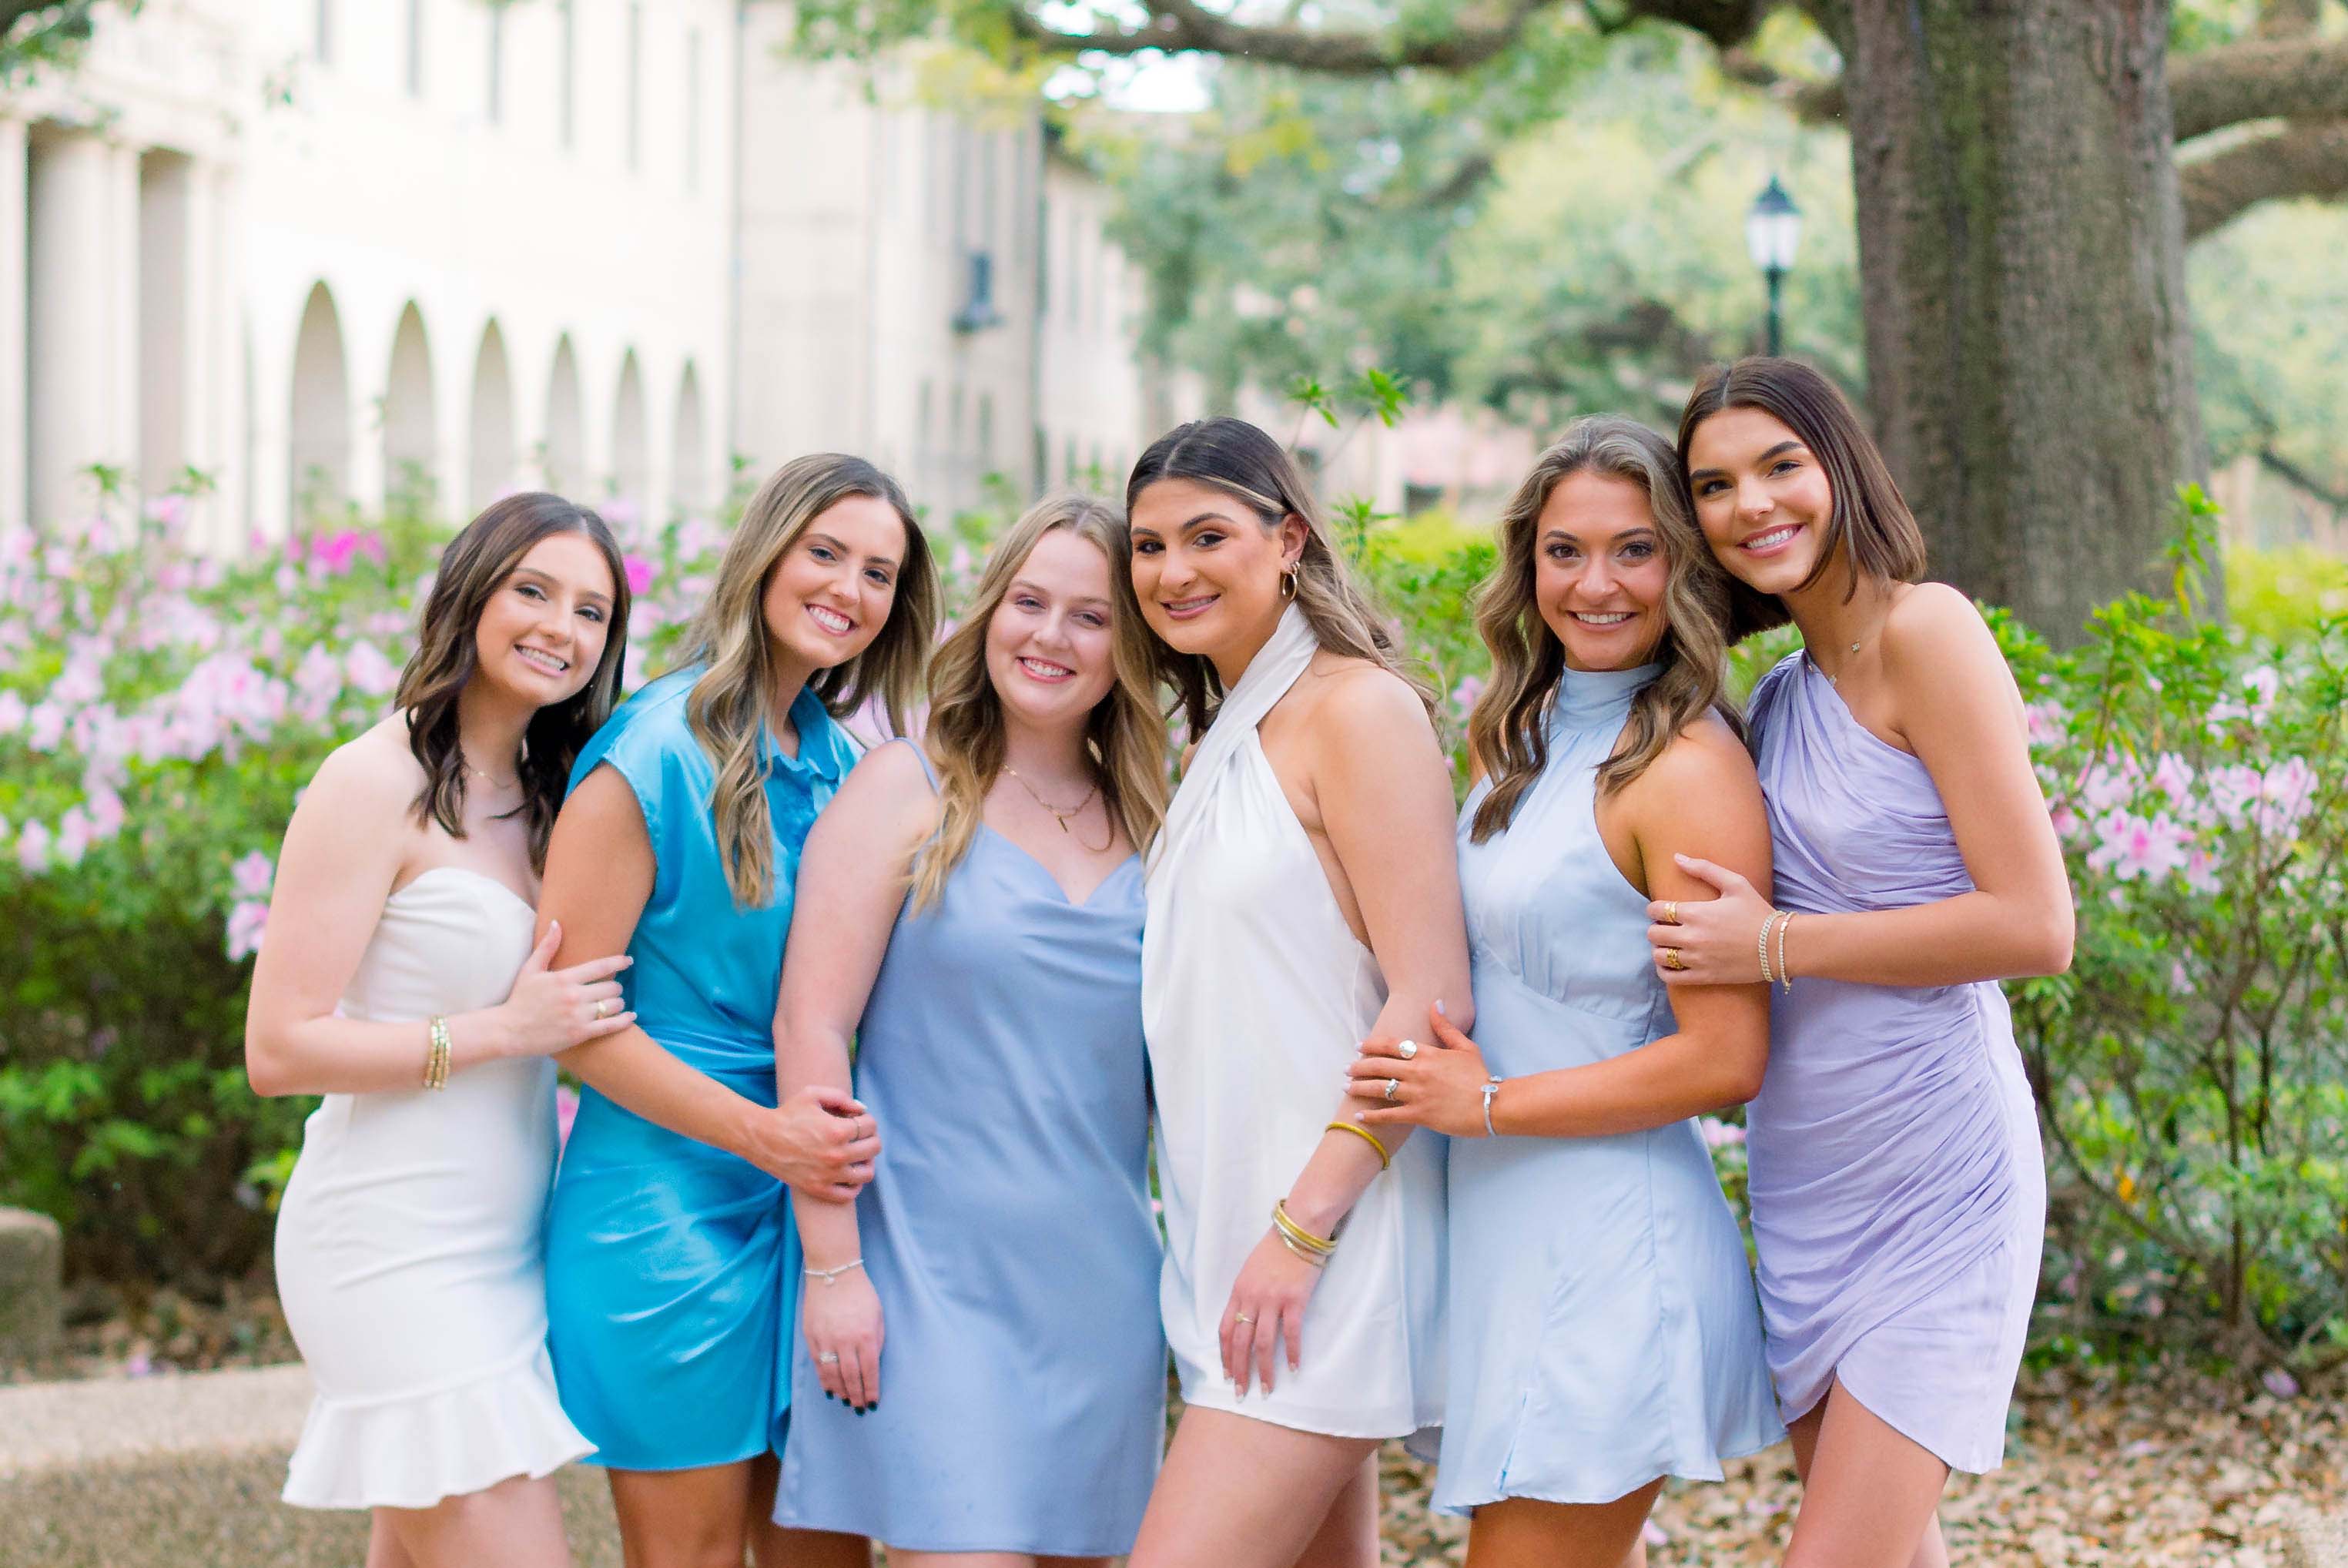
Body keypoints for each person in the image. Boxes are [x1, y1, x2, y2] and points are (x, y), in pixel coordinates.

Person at [1345, 417, 1784, 1568]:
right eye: (1564, 551)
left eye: (1634, 551)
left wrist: (1485, 1106)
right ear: (1526, 565)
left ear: (1684, 569)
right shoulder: (1516, 738)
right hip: (1503, 1230)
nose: (1596, 584)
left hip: (1604, 1243)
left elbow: (1724, 1059)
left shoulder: (1686, 769)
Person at [1658, 358, 2072, 1568]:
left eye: (1779, 465)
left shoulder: (1924, 631)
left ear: (1838, 466)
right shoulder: (1777, 696)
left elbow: (2034, 925)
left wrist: (1775, 944)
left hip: (1937, 1170)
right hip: (1803, 1182)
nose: (1751, 505)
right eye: (1714, 485)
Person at [535, 454, 938, 1568]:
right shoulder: (649, 752)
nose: (848, 591)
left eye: (878, 573)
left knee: (826, 1555)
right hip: (664, 1208)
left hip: (818, 1205)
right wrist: (765, 1136)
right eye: (824, 554)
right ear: (766, 553)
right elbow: (570, 1026)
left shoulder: (851, 762)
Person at [769, 494, 1171, 1563]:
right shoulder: (908, 785)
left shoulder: (1158, 819)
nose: (1048, 635)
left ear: (1127, 646)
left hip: (1101, 1294)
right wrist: (834, 1268)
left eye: (1089, 617)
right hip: (926, 1279)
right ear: (987, 611)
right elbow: (811, 1030)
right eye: (1027, 601)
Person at [249, 492, 638, 1568]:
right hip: (389, 1246)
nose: (562, 626)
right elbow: (278, 1049)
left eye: (593, 611)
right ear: (470, 592)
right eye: (534, 590)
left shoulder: (558, 795)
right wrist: (500, 1031)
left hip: (506, 1245)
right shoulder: (373, 781)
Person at [1123, 417, 1472, 1568]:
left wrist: (1299, 1232)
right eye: (1147, 546)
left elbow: (1428, 1002)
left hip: (1324, 1240)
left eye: (1206, 536)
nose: (1172, 572)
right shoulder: (1222, 730)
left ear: (1288, 540)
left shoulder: (1353, 711)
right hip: (1237, 1243)